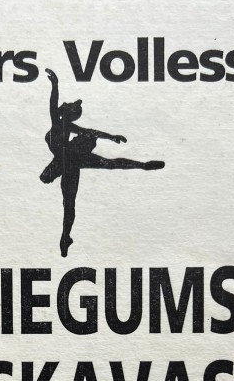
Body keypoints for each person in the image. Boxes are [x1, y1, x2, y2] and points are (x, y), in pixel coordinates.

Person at [40, 68, 165, 256]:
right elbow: (87, 130)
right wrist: (111, 137)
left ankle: (65, 237)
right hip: (70, 160)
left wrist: (55, 85)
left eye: (68, 104)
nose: (64, 104)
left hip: (69, 160)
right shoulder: (63, 125)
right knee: (107, 166)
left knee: (71, 200)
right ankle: (143, 166)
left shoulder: (62, 125)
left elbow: (58, 108)